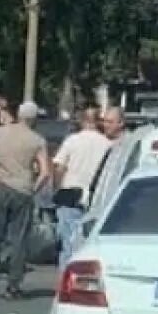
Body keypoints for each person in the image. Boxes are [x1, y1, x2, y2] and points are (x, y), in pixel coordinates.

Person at [0, 101, 51, 300]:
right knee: (18, 239)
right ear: (34, 119)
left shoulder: (0, 132)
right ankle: (13, 285)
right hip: (22, 189)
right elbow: (44, 173)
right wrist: (33, 189)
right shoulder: (37, 140)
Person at [51, 106, 111, 268]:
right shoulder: (107, 144)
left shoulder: (72, 141)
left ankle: (66, 276)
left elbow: (59, 167)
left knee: (68, 241)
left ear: (83, 120)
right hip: (96, 197)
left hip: (70, 194)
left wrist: (56, 189)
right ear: (98, 121)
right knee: (89, 242)